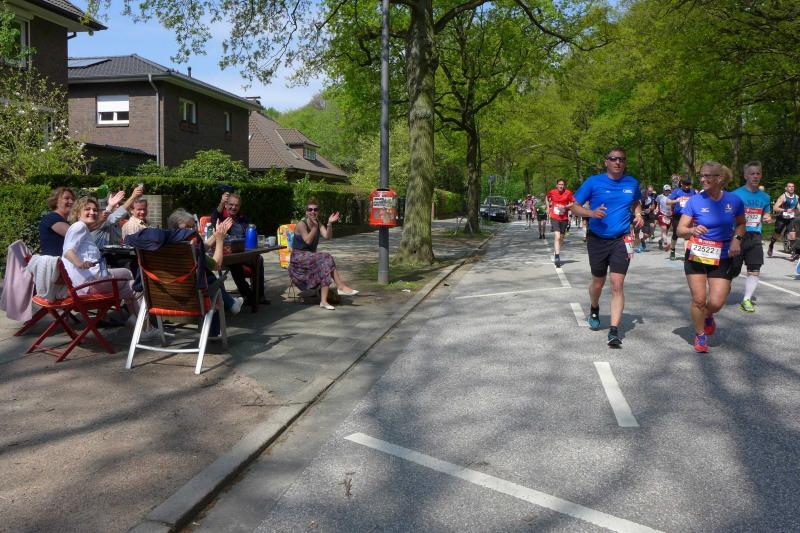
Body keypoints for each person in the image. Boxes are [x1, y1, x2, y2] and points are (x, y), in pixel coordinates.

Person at [570, 148, 643, 347]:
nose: (618, 162)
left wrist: (638, 215)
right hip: (597, 239)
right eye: (613, 159)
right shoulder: (593, 182)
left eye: (621, 159)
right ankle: (594, 308)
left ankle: (614, 330)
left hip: (622, 239)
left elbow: (635, 202)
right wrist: (591, 213)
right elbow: (574, 206)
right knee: (598, 282)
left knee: (617, 284)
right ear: (606, 162)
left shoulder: (631, 183)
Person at [60, 196, 159, 339]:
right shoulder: (79, 226)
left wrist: (110, 207)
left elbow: (101, 221)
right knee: (130, 275)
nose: (92, 212)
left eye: (95, 210)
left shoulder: (83, 228)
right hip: (89, 283)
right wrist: (79, 263)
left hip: (83, 286)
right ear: (77, 212)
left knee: (135, 288)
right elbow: (68, 250)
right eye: (87, 209)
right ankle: (144, 327)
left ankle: (139, 325)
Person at [677, 161, 745, 353]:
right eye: (701, 175)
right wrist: (692, 230)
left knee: (716, 302)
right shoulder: (694, 201)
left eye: (707, 176)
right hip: (697, 254)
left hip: (722, 255)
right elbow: (680, 230)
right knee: (699, 299)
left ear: (720, 178)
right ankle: (700, 334)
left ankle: (707, 315)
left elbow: (741, 224)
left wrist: (737, 240)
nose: (702, 179)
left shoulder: (734, 201)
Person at [166, 208, 243, 339]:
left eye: (194, 226)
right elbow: (216, 265)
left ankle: (231, 304)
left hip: (167, 296)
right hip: (194, 297)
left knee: (209, 279)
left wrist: (216, 235)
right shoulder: (189, 249)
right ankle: (230, 305)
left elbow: (200, 249)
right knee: (212, 281)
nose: (193, 230)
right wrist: (220, 241)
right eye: (188, 227)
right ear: (176, 228)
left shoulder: (166, 246)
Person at [289, 197, 358, 310]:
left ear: (318, 212)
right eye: (310, 209)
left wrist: (329, 224)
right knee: (325, 257)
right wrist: (315, 227)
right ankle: (340, 287)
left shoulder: (318, 224)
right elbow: (307, 241)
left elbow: (328, 236)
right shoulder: (301, 224)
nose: (313, 212)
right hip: (298, 259)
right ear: (306, 212)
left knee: (325, 260)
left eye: (315, 209)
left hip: (310, 258)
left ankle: (324, 301)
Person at [210, 192, 267, 305]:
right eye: (231, 204)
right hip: (228, 253)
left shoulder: (242, 218)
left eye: (236, 205)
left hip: (244, 251)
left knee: (258, 259)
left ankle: (259, 295)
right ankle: (248, 295)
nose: (233, 207)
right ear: (226, 205)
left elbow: (250, 231)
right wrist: (221, 202)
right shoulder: (222, 218)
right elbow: (214, 218)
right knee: (235, 263)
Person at [731, 161, 772, 312]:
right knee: (733, 269)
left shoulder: (765, 197)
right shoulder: (735, 194)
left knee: (755, 267)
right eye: (752, 173)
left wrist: (767, 218)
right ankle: (723, 285)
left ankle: (746, 299)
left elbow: (766, 214)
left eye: (758, 173)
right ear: (745, 176)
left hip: (755, 235)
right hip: (737, 235)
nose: (755, 176)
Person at [546, 179, 575, 267]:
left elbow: (573, 203)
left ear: (564, 185)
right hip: (554, 217)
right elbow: (547, 198)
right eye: (559, 184)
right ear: (556, 185)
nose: (561, 186)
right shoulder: (552, 192)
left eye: (562, 184)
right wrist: (548, 208)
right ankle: (557, 257)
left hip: (564, 218)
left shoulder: (568, 193)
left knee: (561, 238)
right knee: (557, 236)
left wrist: (565, 207)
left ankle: (556, 251)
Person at [39, 187, 76, 256]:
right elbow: (75, 235)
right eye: (66, 198)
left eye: (73, 199)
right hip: (54, 261)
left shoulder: (64, 220)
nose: (71, 202)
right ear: (56, 201)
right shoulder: (51, 218)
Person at [667, 176, 697, 260]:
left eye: (688, 185)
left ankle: (686, 255)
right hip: (678, 216)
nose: (687, 187)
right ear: (681, 184)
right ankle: (672, 250)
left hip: (688, 216)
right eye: (685, 185)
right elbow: (667, 202)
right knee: (676, 234)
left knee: (687, 235)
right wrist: (676, 200)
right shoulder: (677, 191)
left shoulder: (693, 191)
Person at [768, 182, 798, 257]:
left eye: (793, 186)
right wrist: (785, 210)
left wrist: (796, 211)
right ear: (786, 188)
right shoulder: (783, 197)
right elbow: (775, 208)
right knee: (777, 233)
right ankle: (771, 245)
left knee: (792, 234)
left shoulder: (796, 197)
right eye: (789, 186)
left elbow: (798, 207)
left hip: (791, 218)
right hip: (782, 218)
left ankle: (793, 253)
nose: (791, 188)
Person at [635, 185, 657, 252]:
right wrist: (639, 212)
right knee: (640, 233)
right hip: (640, 217)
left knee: (649, 231)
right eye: (644, 194)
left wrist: (650, 209)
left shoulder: (650, 199)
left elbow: (653, 206)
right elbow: (635, 207)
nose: (645, 196)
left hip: (648, 216)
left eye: (646, 194)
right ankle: (638, 246)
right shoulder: (638, 199)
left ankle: (643, 240)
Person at [655, 184, 673, 250]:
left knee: (665, 232)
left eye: (668, 190)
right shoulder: (659, 197)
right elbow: (657, 204)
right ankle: (665, 243)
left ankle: (661, 241)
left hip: (669, 216)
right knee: (664, 229)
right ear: (663, 190)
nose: (667, 191)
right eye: (666, 190)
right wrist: (657, 210)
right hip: (662, 214)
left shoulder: (672, 196)